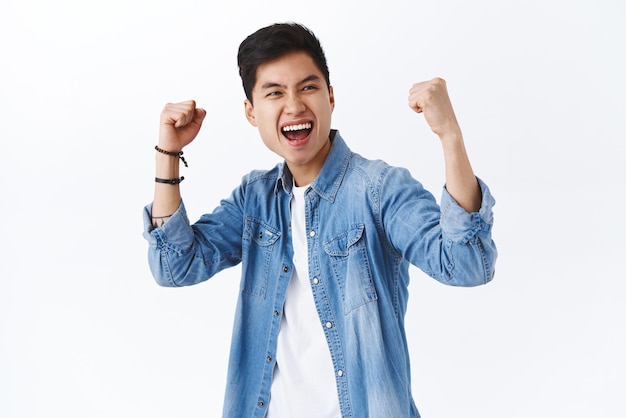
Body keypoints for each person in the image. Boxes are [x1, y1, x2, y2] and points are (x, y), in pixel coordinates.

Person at [143, 22, 497, 418]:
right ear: (250, 111)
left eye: (308, 87)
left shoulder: (379, 189)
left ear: (330, 96)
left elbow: (466, 264)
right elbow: (174, 266)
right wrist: (167, 153)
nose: (294, 106)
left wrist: (449, 135)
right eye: (274, 93)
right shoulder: (254, 200)